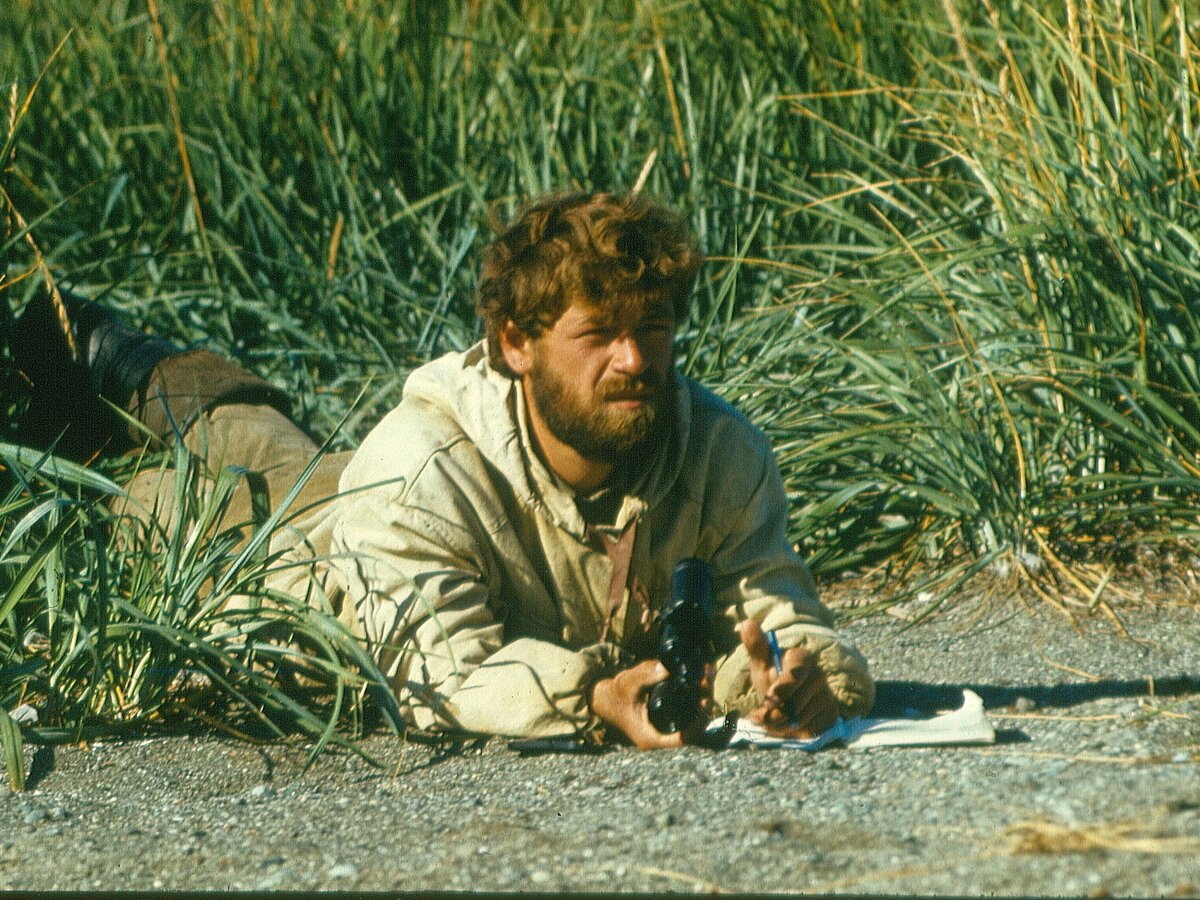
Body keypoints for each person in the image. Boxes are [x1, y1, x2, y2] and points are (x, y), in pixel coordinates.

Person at [9, 191, 874, 749]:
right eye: (597, 333)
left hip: (359, 494)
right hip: (279, 544)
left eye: (651, 328)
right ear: (516, 345)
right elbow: (441, 680)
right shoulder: (419, 467)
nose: (633, 359)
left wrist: (790, 681)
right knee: (139, 487)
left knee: (278, 443)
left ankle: (97, 352)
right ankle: (80, 345)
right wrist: (590, 699)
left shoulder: (720, 451)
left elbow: (777, 613)